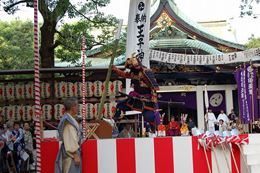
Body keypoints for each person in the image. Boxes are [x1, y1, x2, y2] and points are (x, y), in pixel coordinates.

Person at [55, 98, 81, 173]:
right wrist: (75, 155)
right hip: (71, 155)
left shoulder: (69, 118)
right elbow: (70, 138)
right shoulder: (68, 122)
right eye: (77, 106)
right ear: (73, 107)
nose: (77, 108)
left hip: (69, 154)